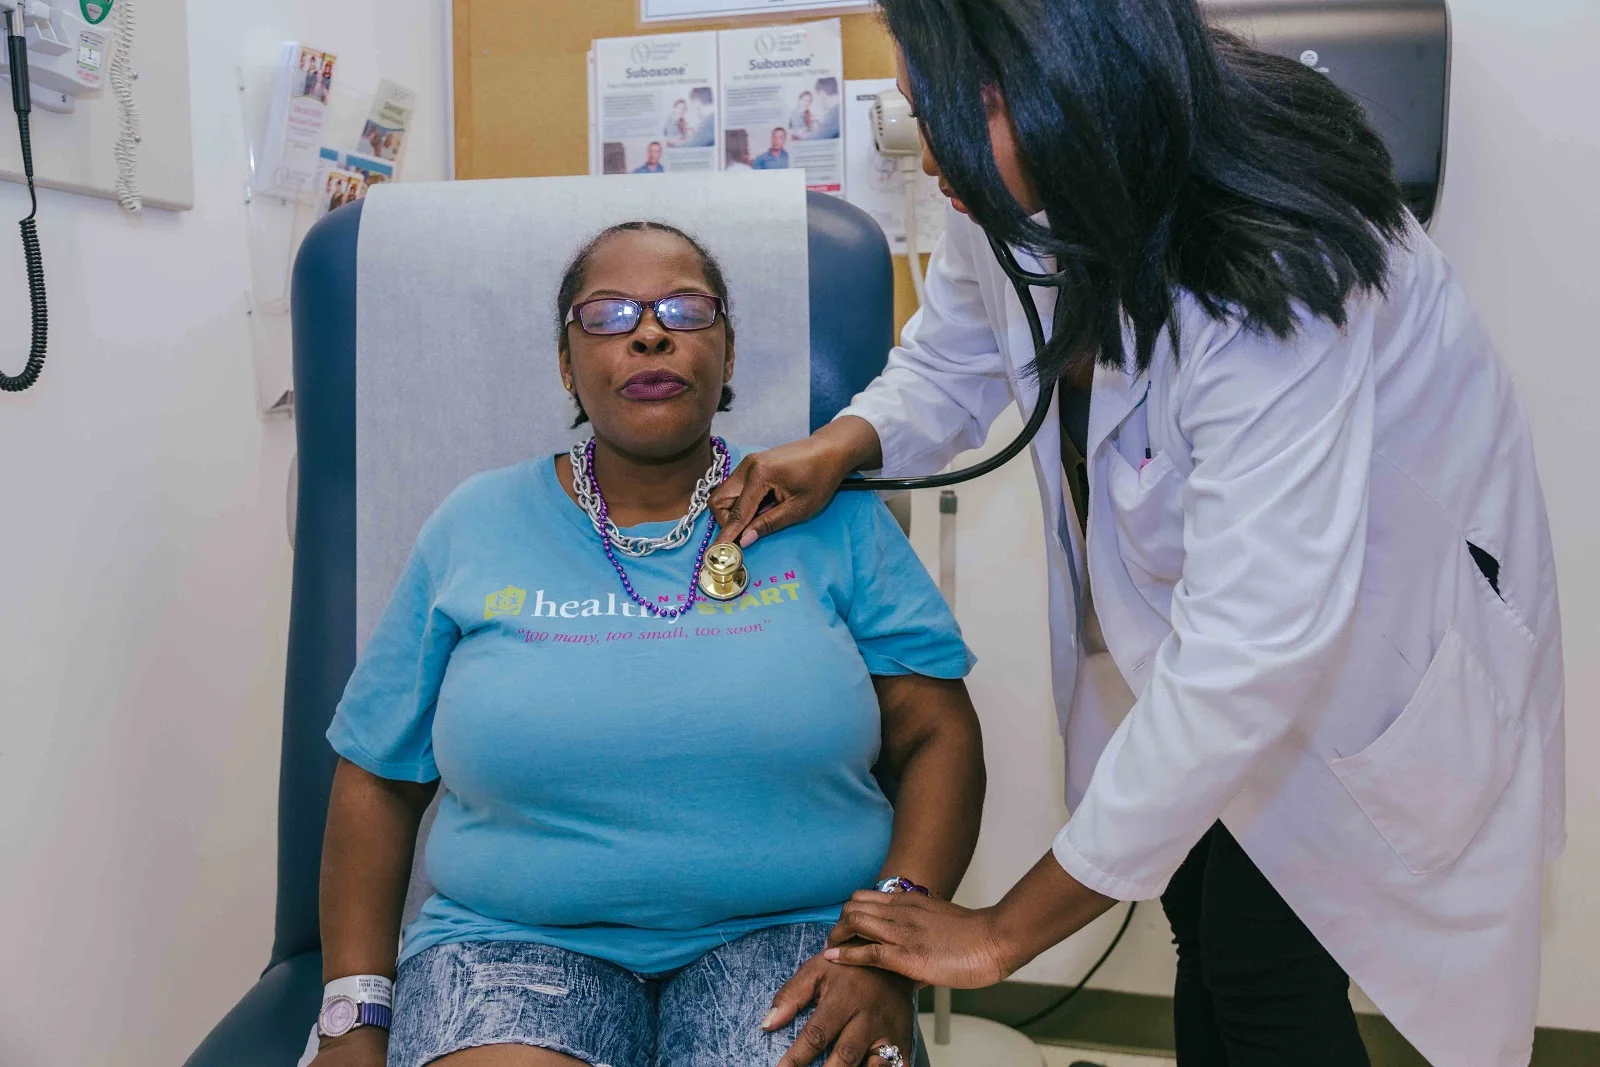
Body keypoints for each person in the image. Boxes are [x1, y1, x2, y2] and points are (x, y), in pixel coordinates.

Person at [709, 1, 1565, 1065]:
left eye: (957, 114)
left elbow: (1250, 646)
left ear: (1066, 84)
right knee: (1203, 919)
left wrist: (1001, 933)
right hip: (1215, 636)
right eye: (919, 109)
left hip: (1366, 643)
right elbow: (961, 344)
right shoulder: (1032, 172)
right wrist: (843, 443)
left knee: (1262, 964)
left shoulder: (1268, 257)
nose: (930, 155)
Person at [308, 220, 986, 1067]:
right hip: (510, 939)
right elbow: (378, 776)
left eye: (686, 309)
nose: (651, 332)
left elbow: (939, 737)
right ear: (567, 364)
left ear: (728, 353)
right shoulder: (473, 524)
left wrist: (890, 945)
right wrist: (352, 1014)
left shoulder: (830, 514)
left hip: (801, 935)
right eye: (609, 315)